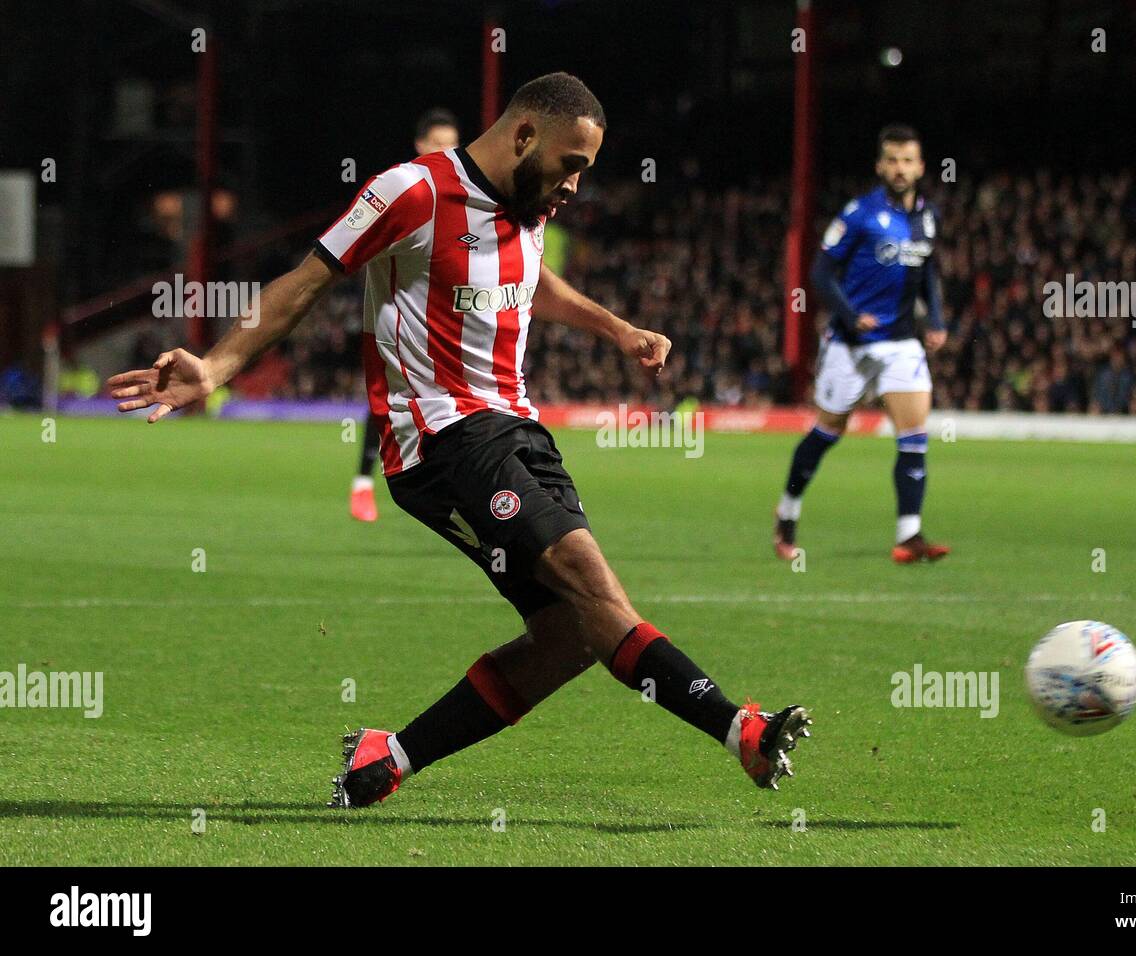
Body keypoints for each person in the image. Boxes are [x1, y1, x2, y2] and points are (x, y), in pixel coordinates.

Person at [108, 73, 811, 808]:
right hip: (443, 438)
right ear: (525, 135)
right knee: (590, 581)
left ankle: (392, 755)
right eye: (572, 163)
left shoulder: (529, 202)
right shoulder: (412, 193)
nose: (576, 184)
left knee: (573, 635)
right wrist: (215, 366)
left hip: (516, 431)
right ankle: (740, 730)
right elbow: (307, 280)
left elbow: (534, 282)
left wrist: (618, 330)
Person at [774, 124, 950, 564]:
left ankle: (909, 535)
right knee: (827, 432)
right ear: (880, 165)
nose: (900, 168)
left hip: (902, 343)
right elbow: (820, 273)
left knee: (913, 436)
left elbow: (927, 273)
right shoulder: (859, 214)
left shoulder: (927, 217)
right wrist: (852, 316)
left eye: (908, 160)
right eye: (892, 159)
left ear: (921, 167)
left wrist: (938, 320)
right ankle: (787, 514)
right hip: (851, 344)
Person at [350, 108, 461, 521]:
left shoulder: (465, 198)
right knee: (388, 394)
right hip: (396, 313)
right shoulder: (399, 190)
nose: (446, 151)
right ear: (420, 146)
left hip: (447, 320)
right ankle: (364, 482)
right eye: (437, 143)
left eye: (452, 144)